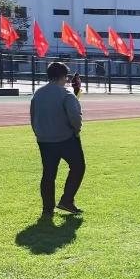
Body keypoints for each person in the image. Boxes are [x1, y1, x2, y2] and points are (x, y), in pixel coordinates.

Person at [31, 62, 85, 216]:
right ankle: (67, 200)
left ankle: (47, 208)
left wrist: (39, 133)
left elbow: (33, 116)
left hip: (44, 139)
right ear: (64, 77)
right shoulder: (66, 94)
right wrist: (76, 130)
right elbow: (75, 117)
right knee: (78, 167)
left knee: (48, 174)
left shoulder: (38, 93)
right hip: (66, 138)